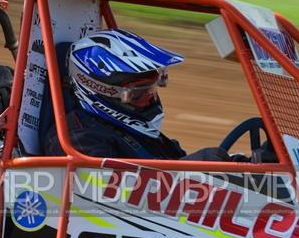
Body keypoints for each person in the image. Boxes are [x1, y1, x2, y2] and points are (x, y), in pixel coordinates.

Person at [40, 28, 258, 161]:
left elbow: (174, 162)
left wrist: (242, 166)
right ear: (102, 92)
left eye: (153, 88)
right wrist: (192, 171)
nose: (150, 99)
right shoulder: (76, 139)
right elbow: (107, 195)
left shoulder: (137, 130)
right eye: (138, 93)